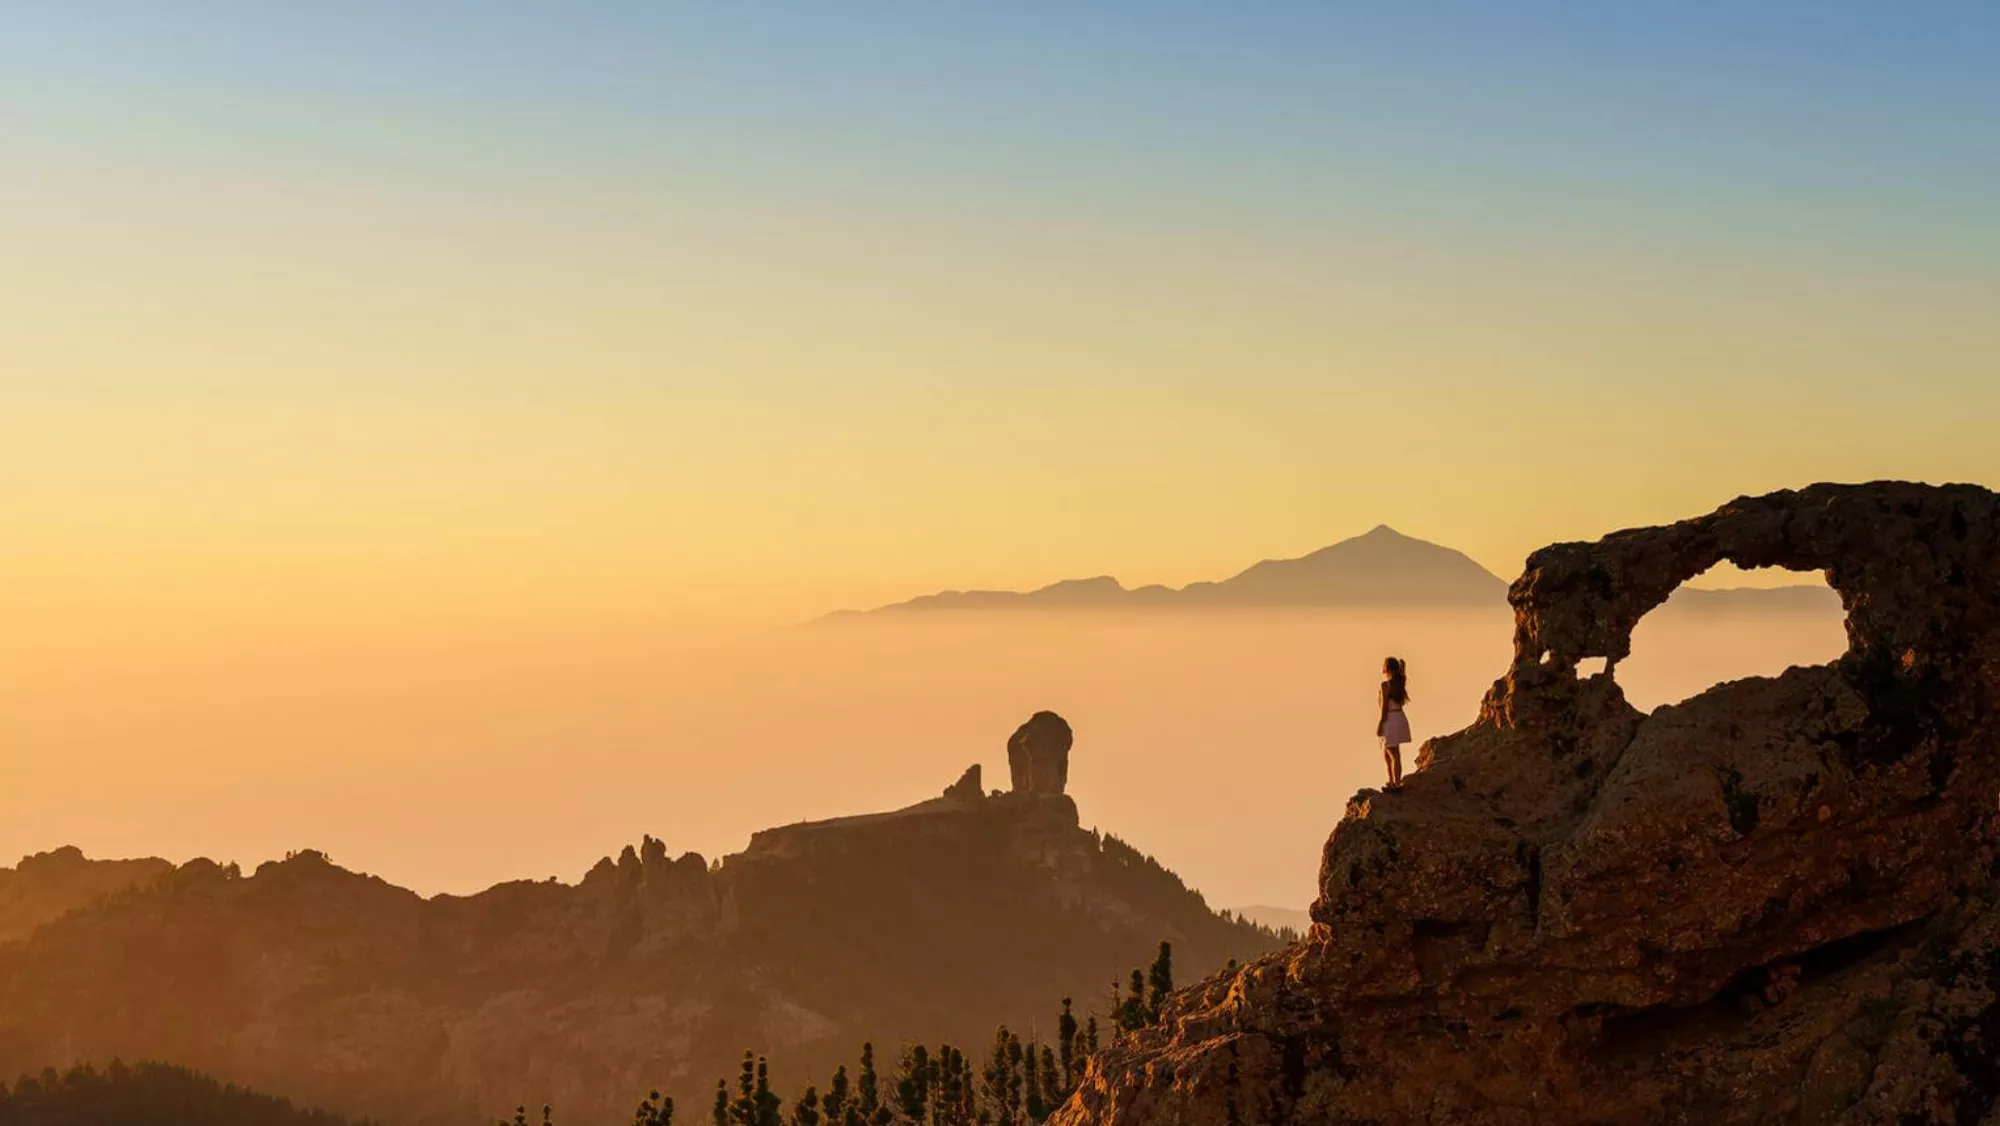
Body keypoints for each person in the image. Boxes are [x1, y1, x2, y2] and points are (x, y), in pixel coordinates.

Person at [1377, 656, 1411, 788]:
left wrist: (1381, 723)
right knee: (1391, 752)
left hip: (1390, 718)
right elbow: (1402, 675)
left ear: (1387, 669)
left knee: (1392, 753)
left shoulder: (1385, 685)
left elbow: (1385, 706)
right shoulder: (1400, 683)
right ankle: (1393, 781)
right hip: (1399, 717)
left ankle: (1395, 783)